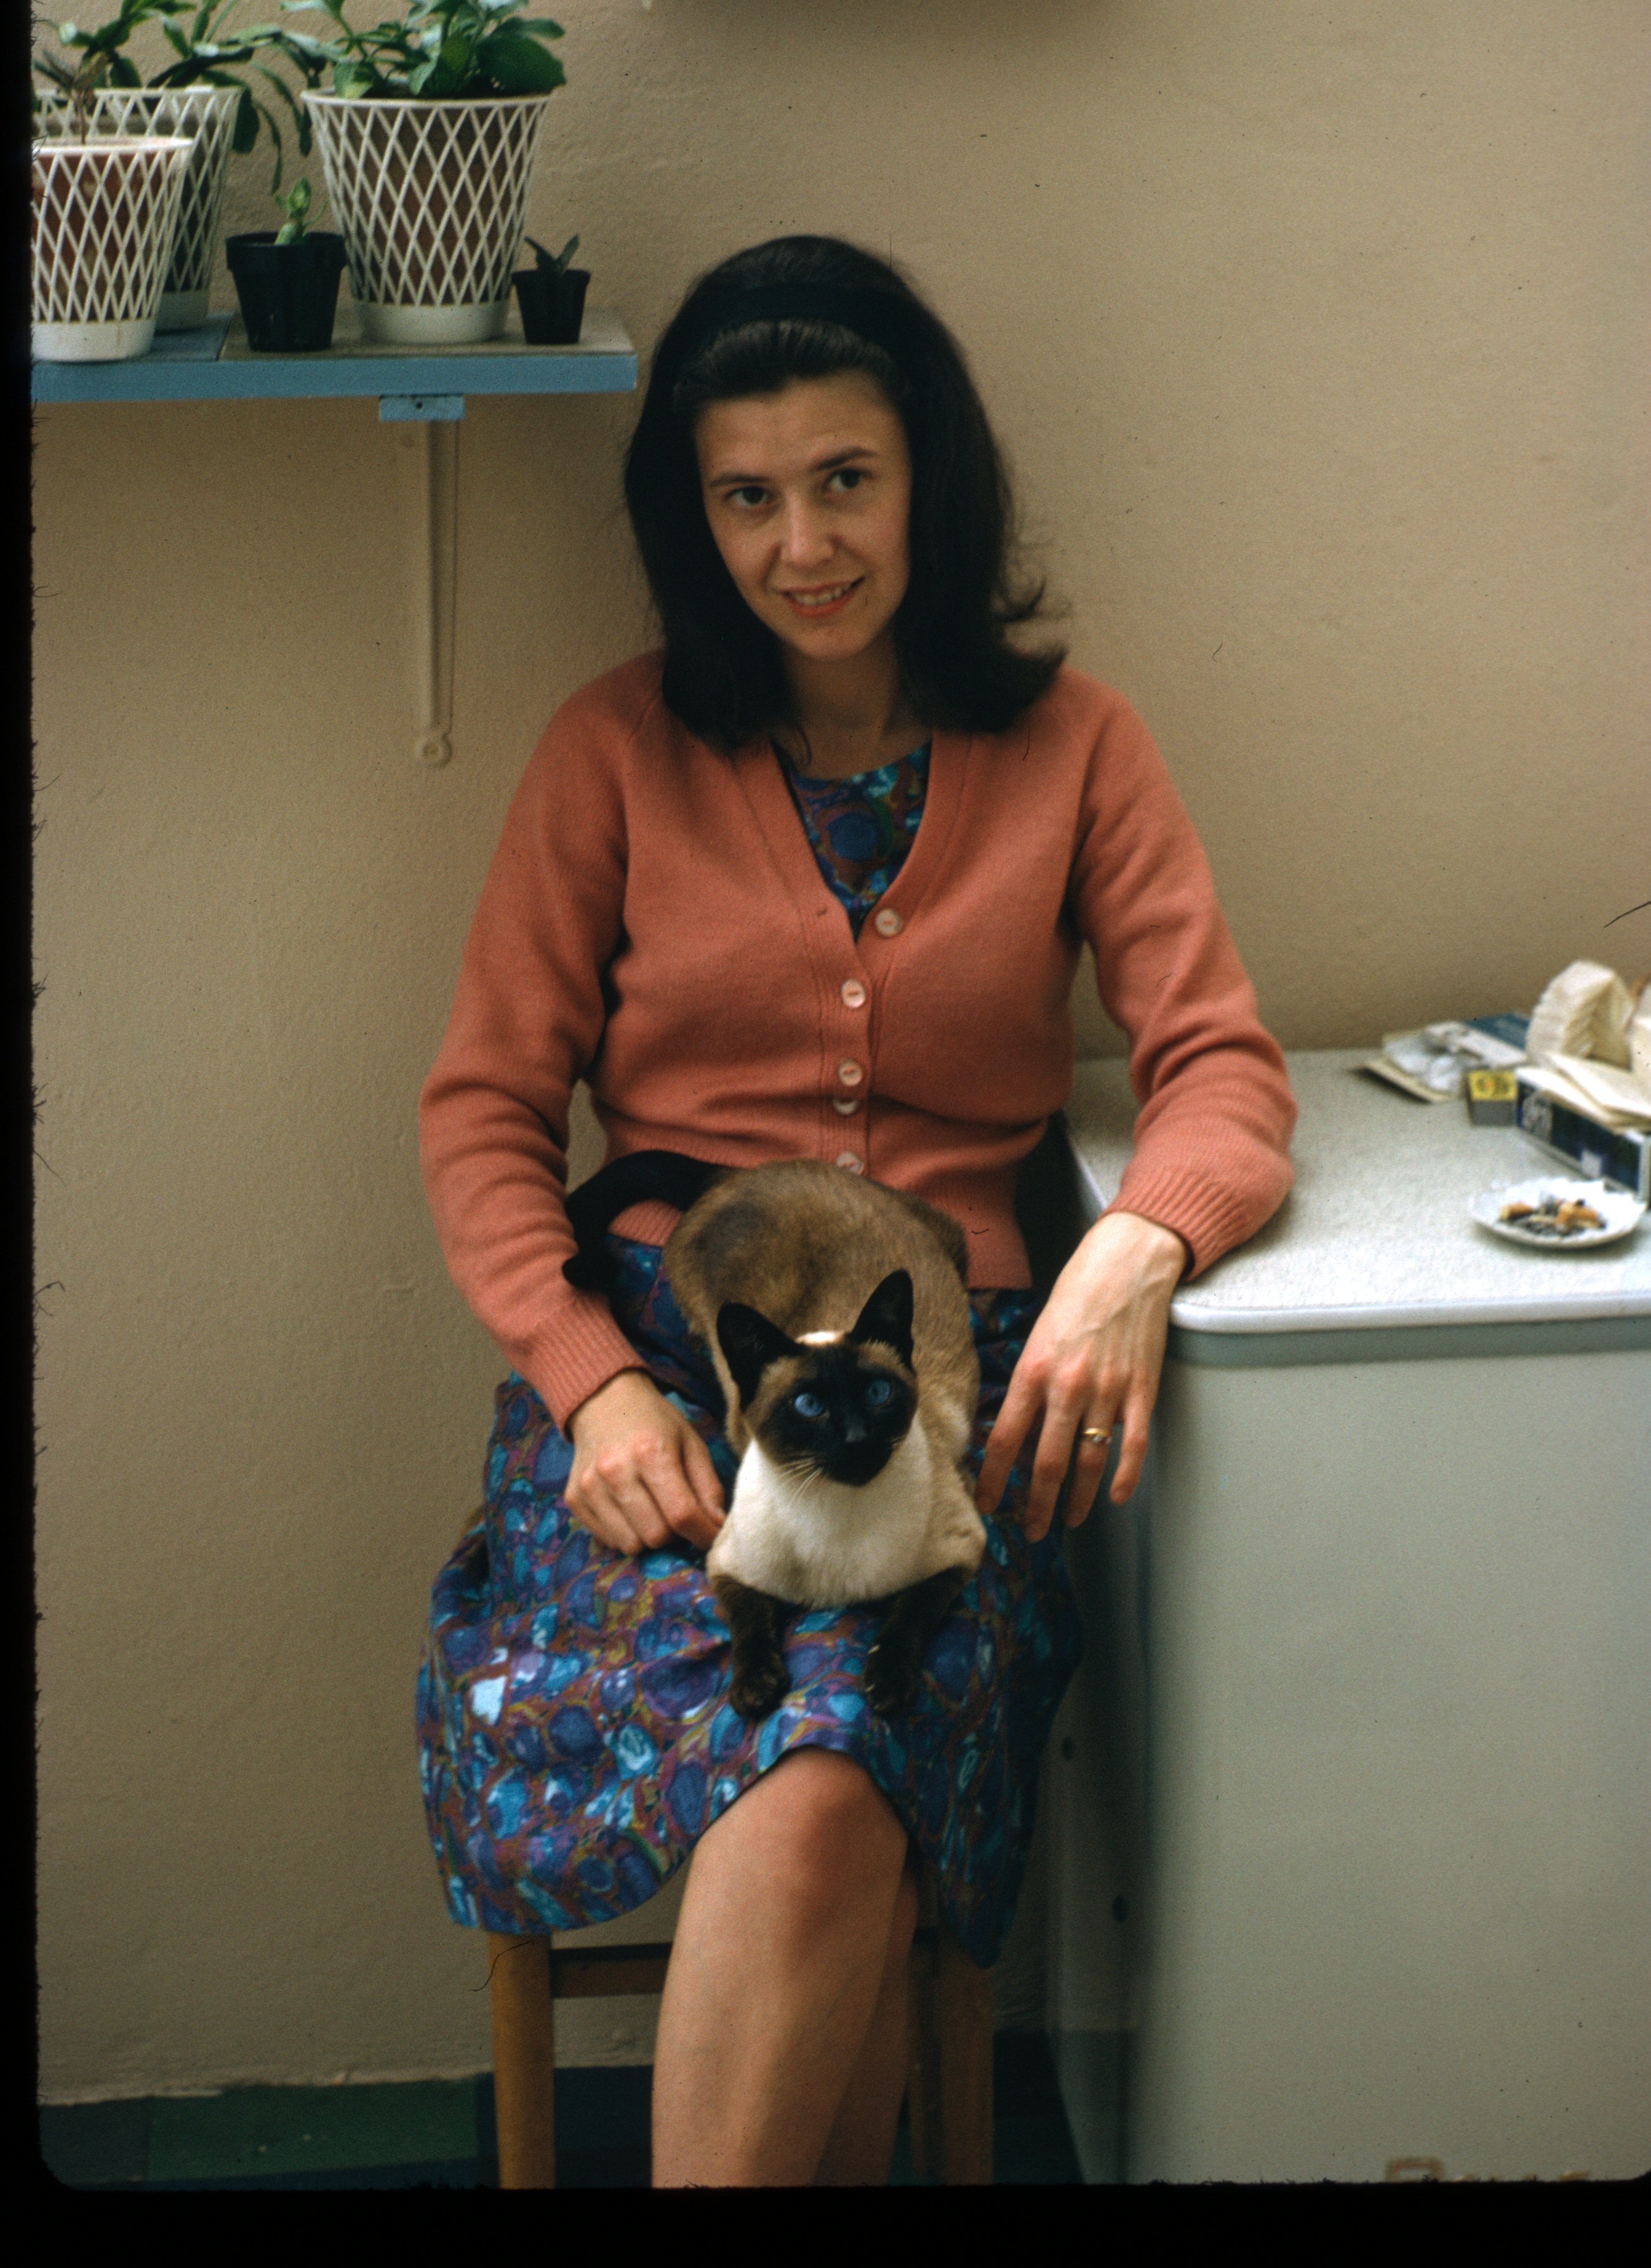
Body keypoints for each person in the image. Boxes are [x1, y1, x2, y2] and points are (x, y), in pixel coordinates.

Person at [416, 234, 1297, 2186]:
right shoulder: (614, 752)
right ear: (693, 516)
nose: (801, 544)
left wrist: (1134, 1250)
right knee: (817, 1786)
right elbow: (482, 1111)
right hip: (653, 1410)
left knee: (832, 1781)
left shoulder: (1075, 750)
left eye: (845, 481)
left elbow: (1223, 1073)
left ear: (929, 483)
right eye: (747, 496)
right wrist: (587, 1384)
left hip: (948, 1427)